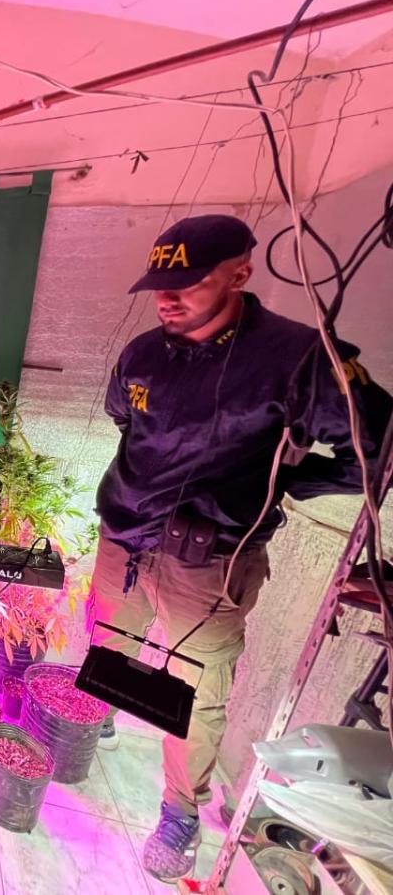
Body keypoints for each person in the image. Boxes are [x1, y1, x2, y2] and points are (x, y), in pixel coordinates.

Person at [91, 215, 391, 883]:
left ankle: (179, 809)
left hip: (209, 562)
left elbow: (378, 446)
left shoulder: (297, 358)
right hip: (124, 539)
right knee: (108, 642)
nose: (168, 299)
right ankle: (103, 713)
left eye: (189, 283)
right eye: (159, 285)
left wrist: (290, 482)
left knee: (194, 693)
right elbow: (124, 419)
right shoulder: (142, 354)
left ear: (240, 273)